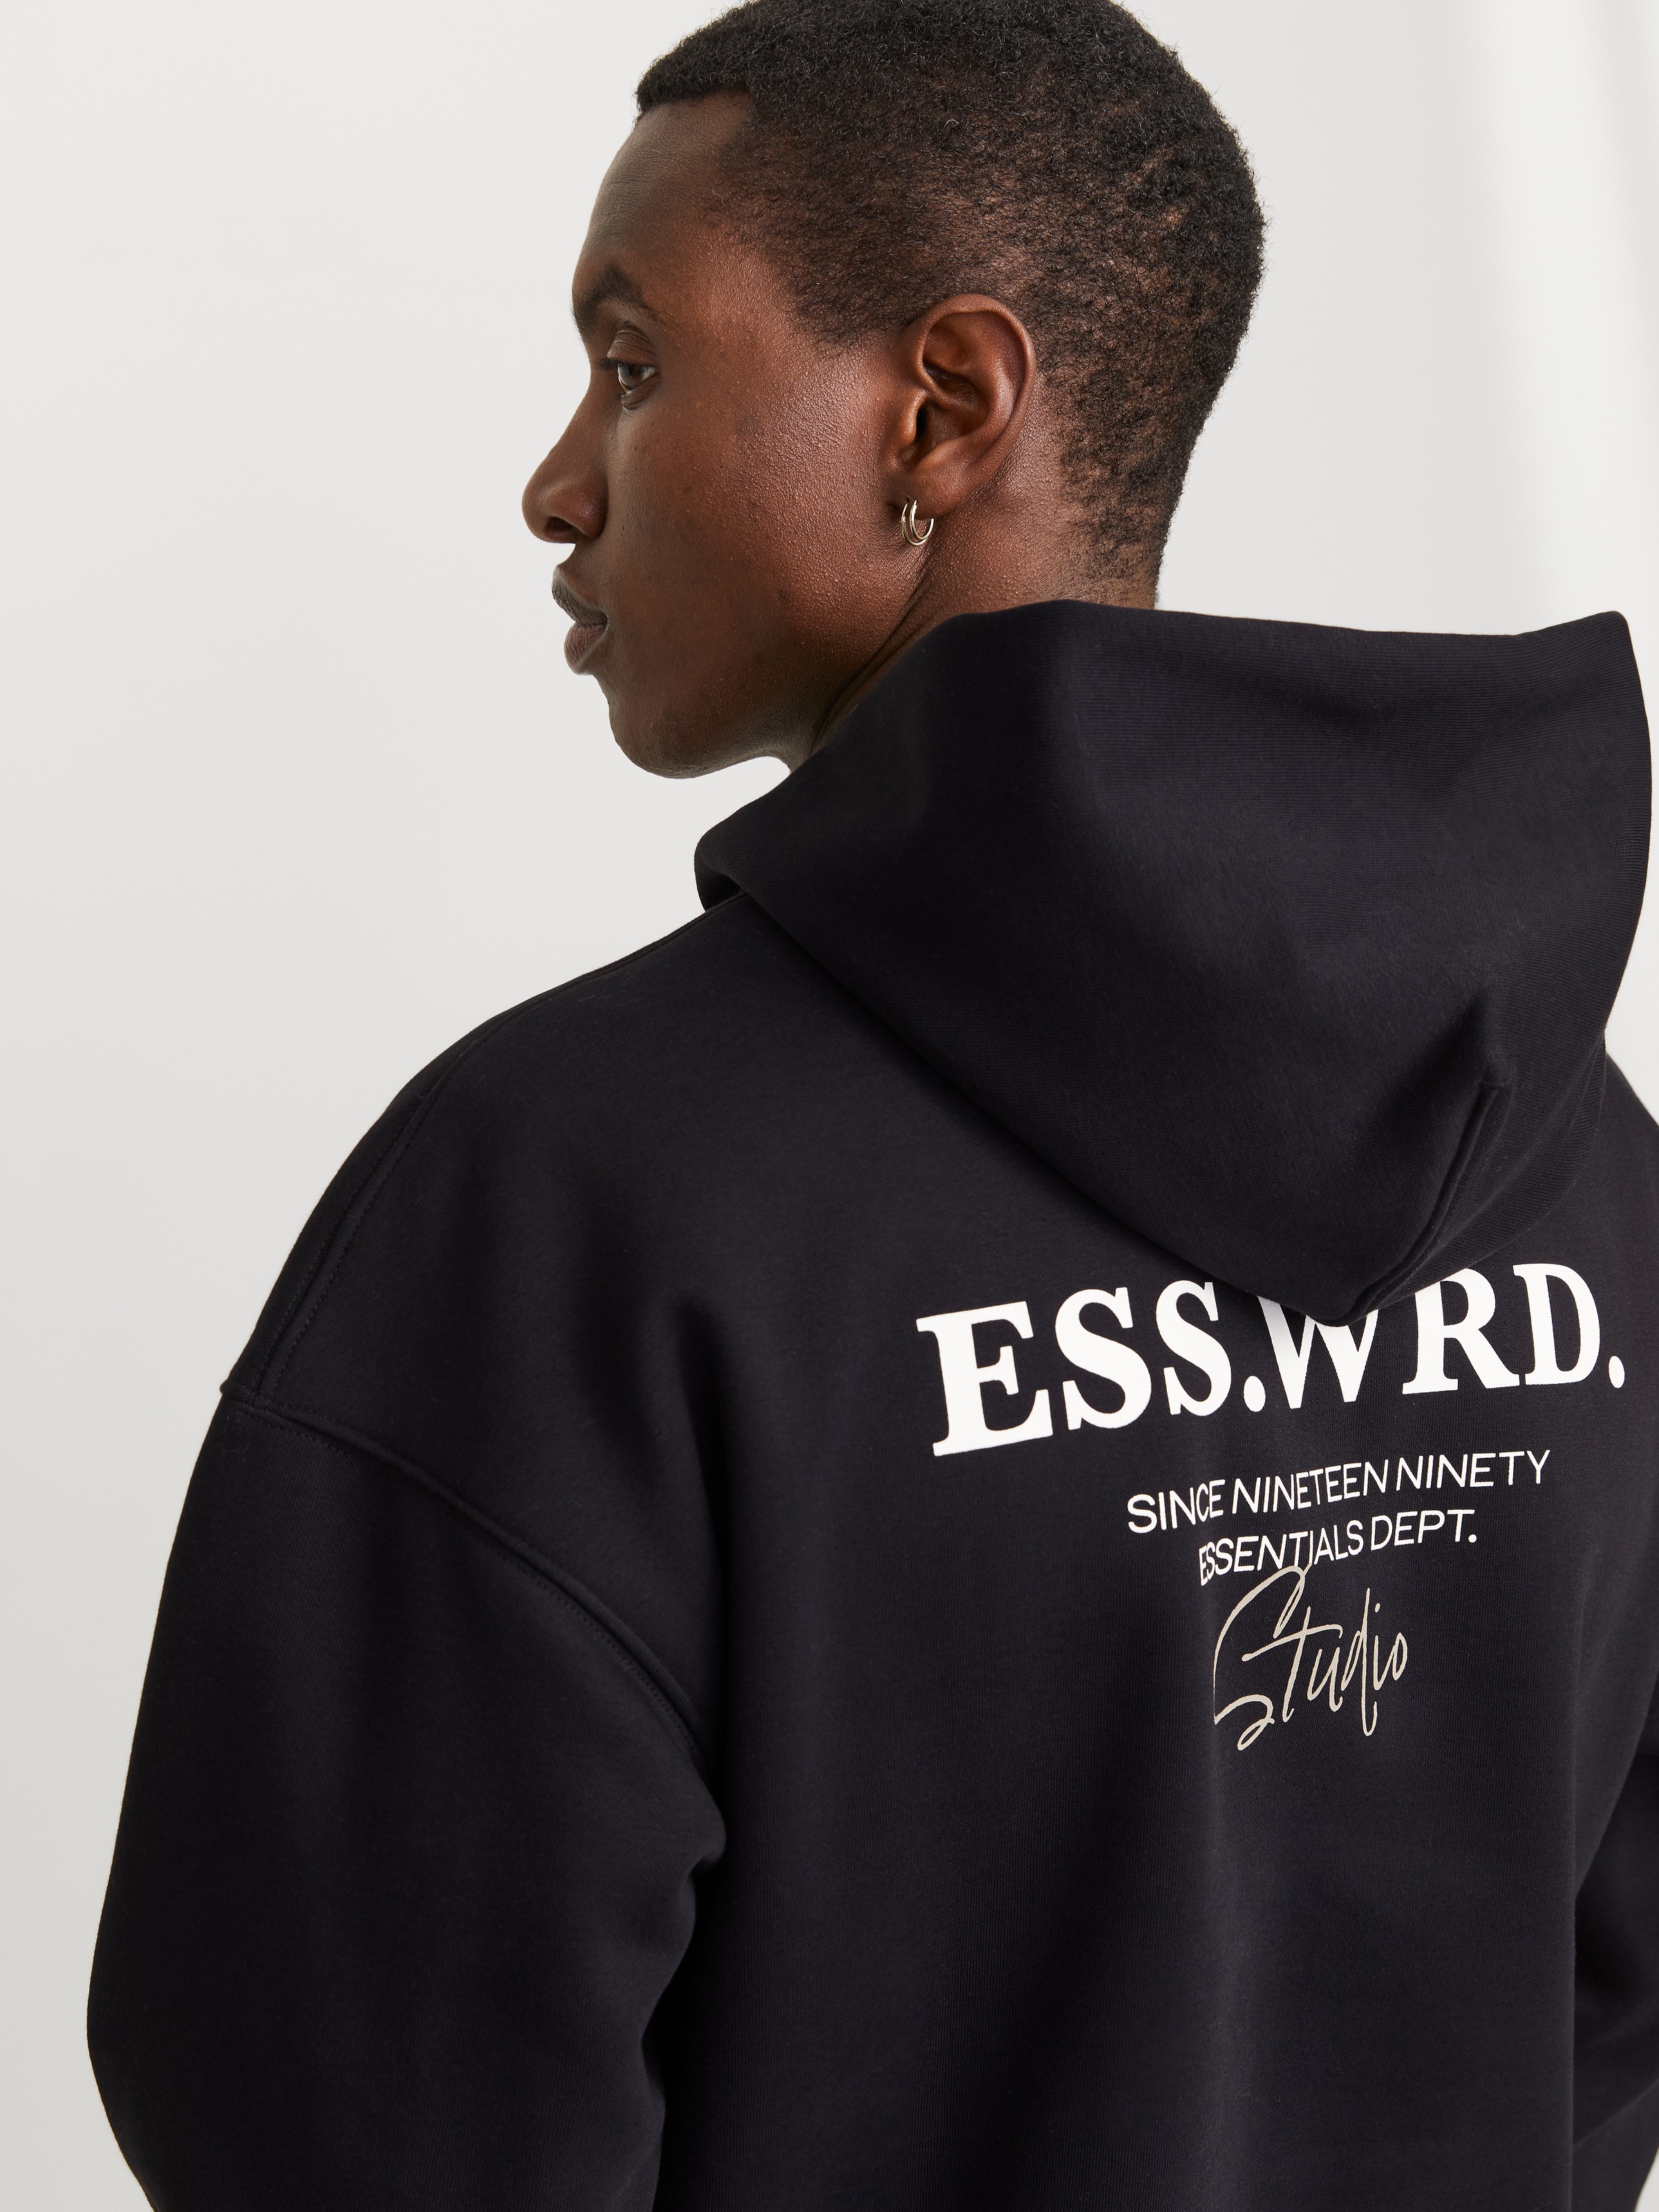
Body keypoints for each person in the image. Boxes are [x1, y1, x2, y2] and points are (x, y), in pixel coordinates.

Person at [88, 2, 1659, 2208]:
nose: (559, 481)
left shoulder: (570, 1200)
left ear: (941, 410)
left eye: (633, 362)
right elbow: (1599, 2001)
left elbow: (339, 2104)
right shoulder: (1569, 1157)